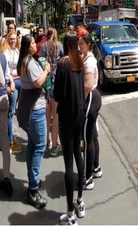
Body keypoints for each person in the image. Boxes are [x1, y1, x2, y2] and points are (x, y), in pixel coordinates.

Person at [53, 33, 87, 225]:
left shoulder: (63, 63)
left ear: (66, 44)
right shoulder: (79, 61)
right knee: (78, 155)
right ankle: (80, 201)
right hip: (80, 112)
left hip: (67, 114)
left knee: (68, 162)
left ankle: (70, 214)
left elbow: (57, 95)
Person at [16, 34, 51, 209]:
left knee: (32, 145)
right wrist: (46, 70)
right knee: (39, 147)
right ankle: (33, 189)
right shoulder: (29, 62)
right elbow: (38, 82)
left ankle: (32, 181)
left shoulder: (24, 61)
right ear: (26, 46)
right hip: (35, 111)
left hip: (28, 109)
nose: (35, 45)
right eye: (32, 43)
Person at [78, 35, 102, 191]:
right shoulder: (85, 57)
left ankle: (87, 178)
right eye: (79, 43)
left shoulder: (90, 61)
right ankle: (96, 167)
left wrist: (81, 101)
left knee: (87, 140)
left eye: (81, 43)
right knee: (92, 136)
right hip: (92, 98)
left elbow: (87, 85)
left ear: (88, 44)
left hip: (90, 98)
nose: (79, 46)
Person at [40, 27, 64, 157]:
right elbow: (64, 62)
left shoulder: (43, 46)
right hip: (56, 83)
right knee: (55, 116)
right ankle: (54, 146)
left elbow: (40, 62)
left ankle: (45, 143)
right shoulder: (59, 46)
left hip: (45, 82)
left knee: (46, 115)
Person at [1, 28, 22, 153]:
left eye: (15, 39)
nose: (13, 41)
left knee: (15, 110)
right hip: (11, 83)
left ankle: (11, 136)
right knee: (11, 112)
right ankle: (10, 142)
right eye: (11, 39)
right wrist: (11, 81)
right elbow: (6, 70)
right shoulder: (5, 52)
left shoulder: (17, 51)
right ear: (8, 40)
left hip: (20, 81)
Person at [0, 47, 15, 195]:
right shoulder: (3, 57)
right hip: (3, 98)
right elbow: (6, 76)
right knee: (4, 138)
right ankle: (6, 176)